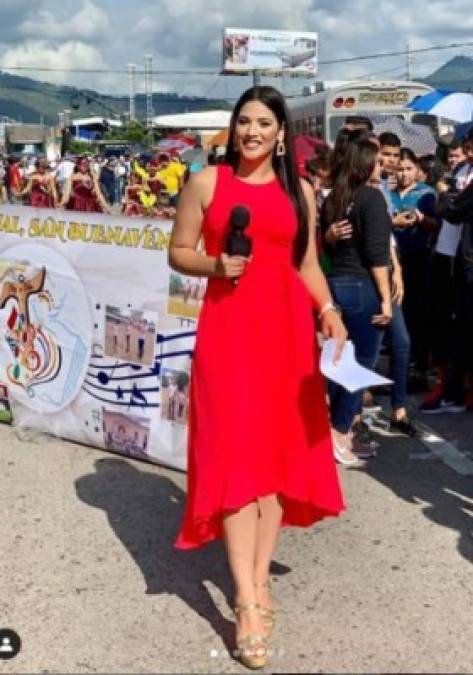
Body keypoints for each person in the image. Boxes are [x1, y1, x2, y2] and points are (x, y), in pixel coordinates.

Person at [169, 85, 346, 669]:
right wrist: (216, 264)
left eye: (263, 123)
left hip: (288, 340)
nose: (251, 132)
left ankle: (260, 576)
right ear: (233, 127)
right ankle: (245, 600)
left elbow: (307, 264)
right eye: (243, 121)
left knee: (276, 464)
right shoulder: (206, 183)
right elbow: (179, 251)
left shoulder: (301, 193)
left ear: (280, 132)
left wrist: (327, 311)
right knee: (236, 461)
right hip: (227, 337)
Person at [321, 139, 392, 463]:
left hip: (335, 284)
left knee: (339, 362)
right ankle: (339, 431)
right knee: (360, 365)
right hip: (362, 286)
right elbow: (378, 255)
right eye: (379, 161)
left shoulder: (335, 197)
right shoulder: (371, 197)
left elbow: (324, 244)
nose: (384, 165)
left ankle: (337, 431)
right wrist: (387, 298)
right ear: (366, 164)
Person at [391, 148, 439, 386]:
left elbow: (436, 225)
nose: (403, 174)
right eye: (399, 169)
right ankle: (401, 365)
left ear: (417, 169)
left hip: (419, 258)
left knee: (418, 313)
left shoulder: (426, 194)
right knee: (398, 313)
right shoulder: (388, 194)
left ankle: (420, 365)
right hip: (394, 261)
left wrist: (420, 219)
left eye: (408, 169)